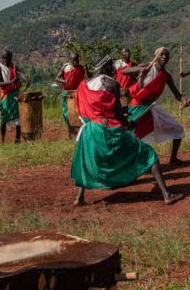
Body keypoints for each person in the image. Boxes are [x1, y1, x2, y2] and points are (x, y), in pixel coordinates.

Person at [71, 55, 183, 206]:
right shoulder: (111, 84)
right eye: (111, 65)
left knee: (86, 161)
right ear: (107, 67)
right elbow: (117, 113)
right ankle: (167, 195)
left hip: (89, 131)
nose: (113, 68)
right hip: (108, 129)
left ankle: (79, 198)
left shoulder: (83, 85)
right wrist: (127, 124)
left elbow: (84, 110)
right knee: (149, 154)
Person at [122, 48, 185, 165]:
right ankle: (128, 163)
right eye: (161, 55)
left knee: (178, 129)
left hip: (150, 107)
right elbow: (125, 71)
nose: (164, 57)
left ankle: (173, 159)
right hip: (136, 106)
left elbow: (177, 95)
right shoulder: (148, 66)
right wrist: (141, 69)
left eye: (167, 55)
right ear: (156, 56)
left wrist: (184, 100)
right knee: (131, 134)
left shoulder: (166, 76)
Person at [0, 50, 28, 144]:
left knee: (17, 116)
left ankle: (17, 139)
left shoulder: (12, 65)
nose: (9, 60)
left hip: (14, 93)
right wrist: (11, 81)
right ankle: (2, 139)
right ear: (3, 59)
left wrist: (25, 79)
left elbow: (20, 72)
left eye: (10, 58)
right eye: (7, 58)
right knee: (4, 118)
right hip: (5, 95)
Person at [55, 53, 87, 137]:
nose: (75, 62)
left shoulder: (81, 68)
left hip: (79, 92)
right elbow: (56, 78)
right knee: (66, 113)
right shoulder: (66, 67)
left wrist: (86, 69)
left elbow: (90, 76)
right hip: (67, 93)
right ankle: (70, 130)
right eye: (73, 60)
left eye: (77, 60)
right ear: (70, 60)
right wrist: (64, 81)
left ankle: (79, 131)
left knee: (79, 112)